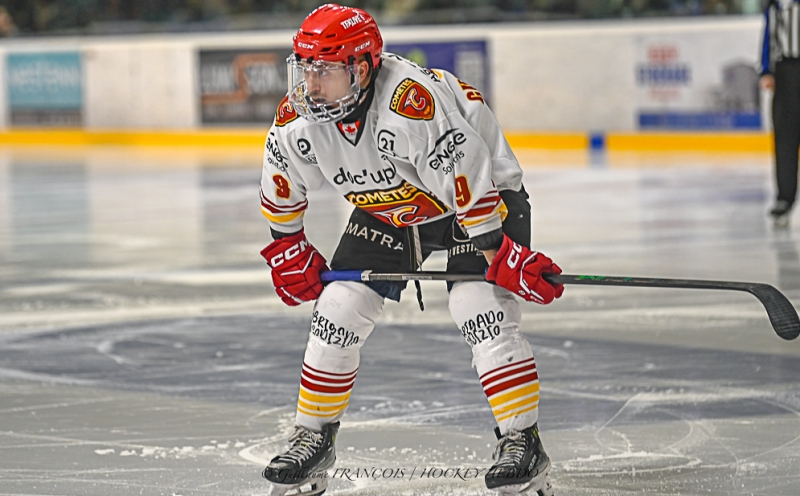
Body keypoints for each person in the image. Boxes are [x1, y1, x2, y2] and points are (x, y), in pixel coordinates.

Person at [258, 4, 563, 495]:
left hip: (480, 200)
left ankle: (521, 439)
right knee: (338, 306)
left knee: (477, 305)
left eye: (325, 70)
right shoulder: (298, 118)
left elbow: (469, 181)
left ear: (361, 68)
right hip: (393, 208)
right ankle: (311, 436)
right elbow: (281, 190)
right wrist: (288, 248)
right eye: (305, 68)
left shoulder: (409, 105)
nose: (310, 85)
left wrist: (499, 257)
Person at [760, 0, 800, 227]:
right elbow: (768, 37)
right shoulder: (774, 6)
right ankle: (784, 198)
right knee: (785, 139)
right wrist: (766, 70)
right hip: (785, 74)